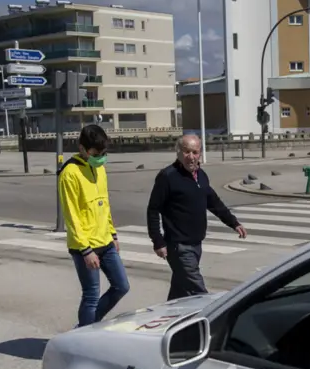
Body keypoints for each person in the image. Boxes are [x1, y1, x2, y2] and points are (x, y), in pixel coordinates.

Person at [147, 135, 247, 299]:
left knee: (180, 291)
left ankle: (170, 318)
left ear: (200, 153)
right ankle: (214, 319)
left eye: (195, 152)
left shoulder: (201, 175)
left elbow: (214, 202)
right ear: (178, 152)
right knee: (199, 292)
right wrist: (157, 241)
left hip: (196, 244)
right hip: (178, 246)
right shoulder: (167, 177)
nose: (191, 157)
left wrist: (233, 223)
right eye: (186, 152)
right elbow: (153, 209)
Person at [59, 123, 129, 327]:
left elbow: (104, 203)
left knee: (121, 286)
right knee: (91, 295)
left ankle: (87, 326)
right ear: (82, 149)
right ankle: (85, 335)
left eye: (104, 153)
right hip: (85, 246)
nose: (101, 157)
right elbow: (71, 216)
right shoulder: (69, 173)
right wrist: (86, 250)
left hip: (105, 240)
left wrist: (113, 234)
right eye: (96, 153)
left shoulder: (99, 169)